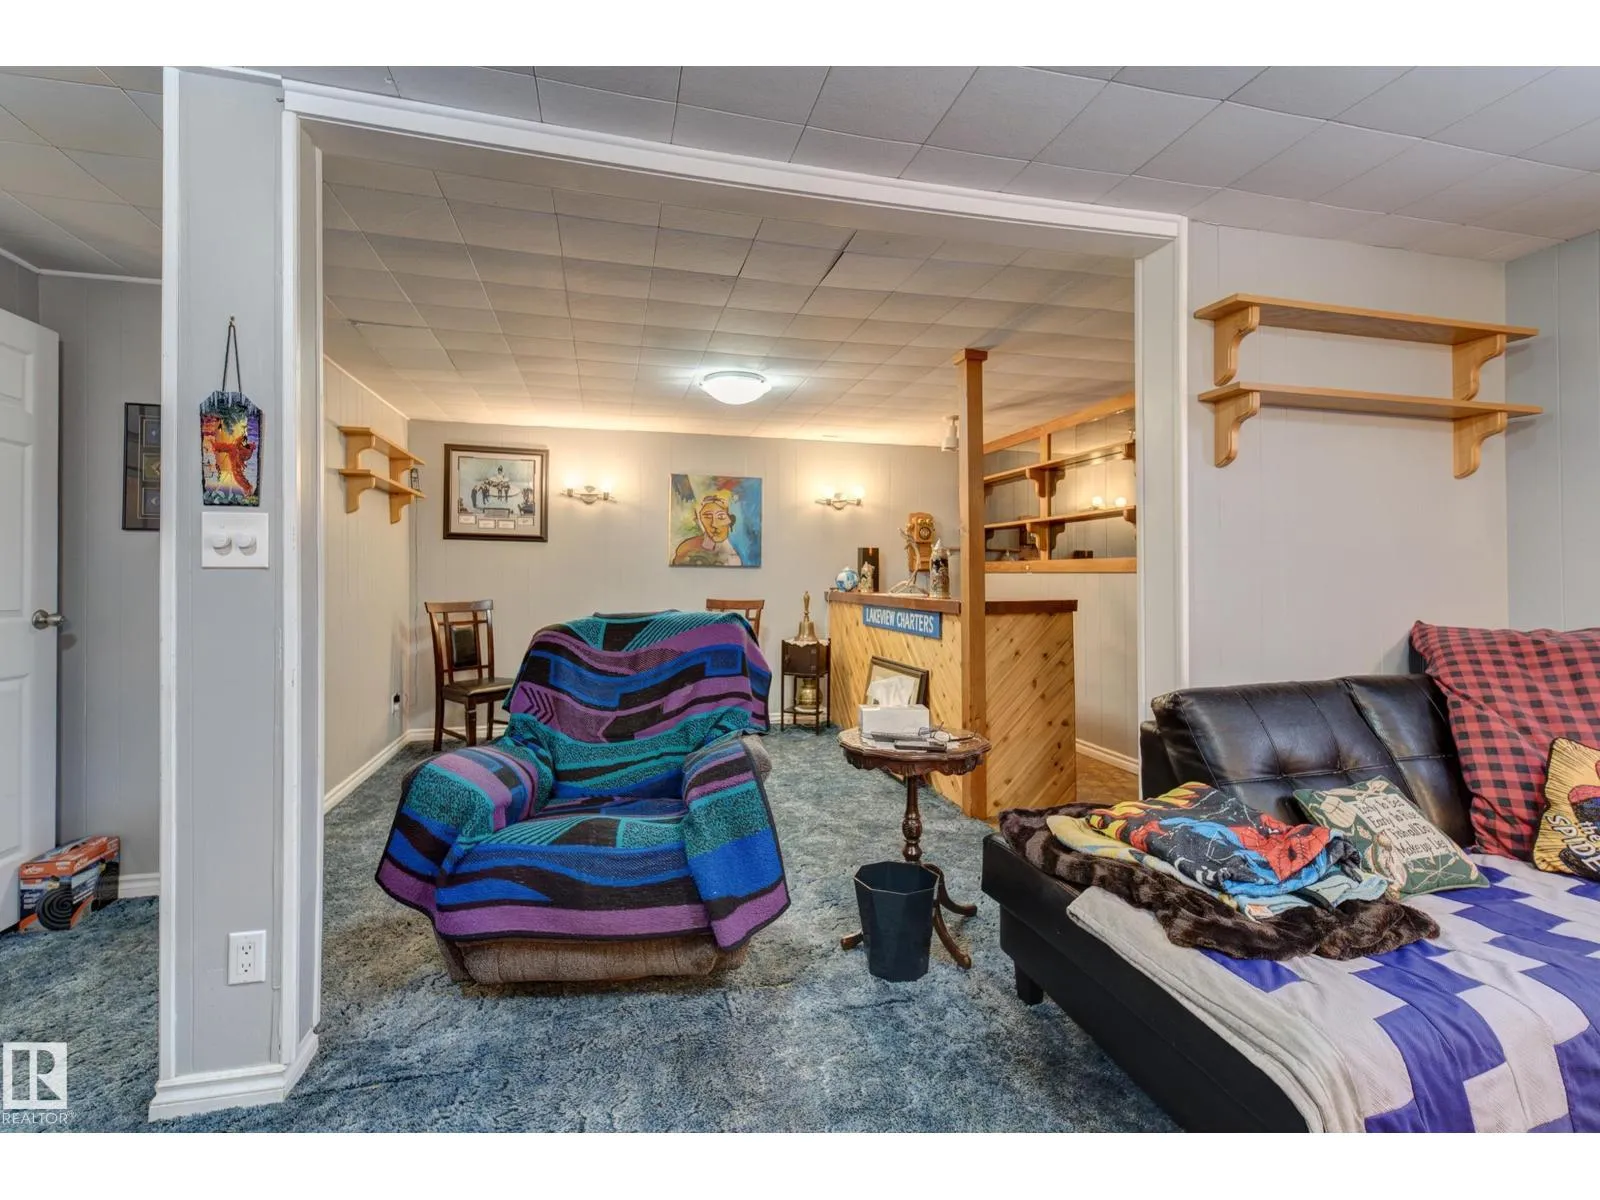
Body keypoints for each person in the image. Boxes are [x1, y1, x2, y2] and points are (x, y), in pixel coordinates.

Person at [672, 489, 742, 566]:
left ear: (731, 520)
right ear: (699, 521)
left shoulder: (734, 555)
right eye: (708, 517)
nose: (714, 524)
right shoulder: (687, 549)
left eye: (721, 517)